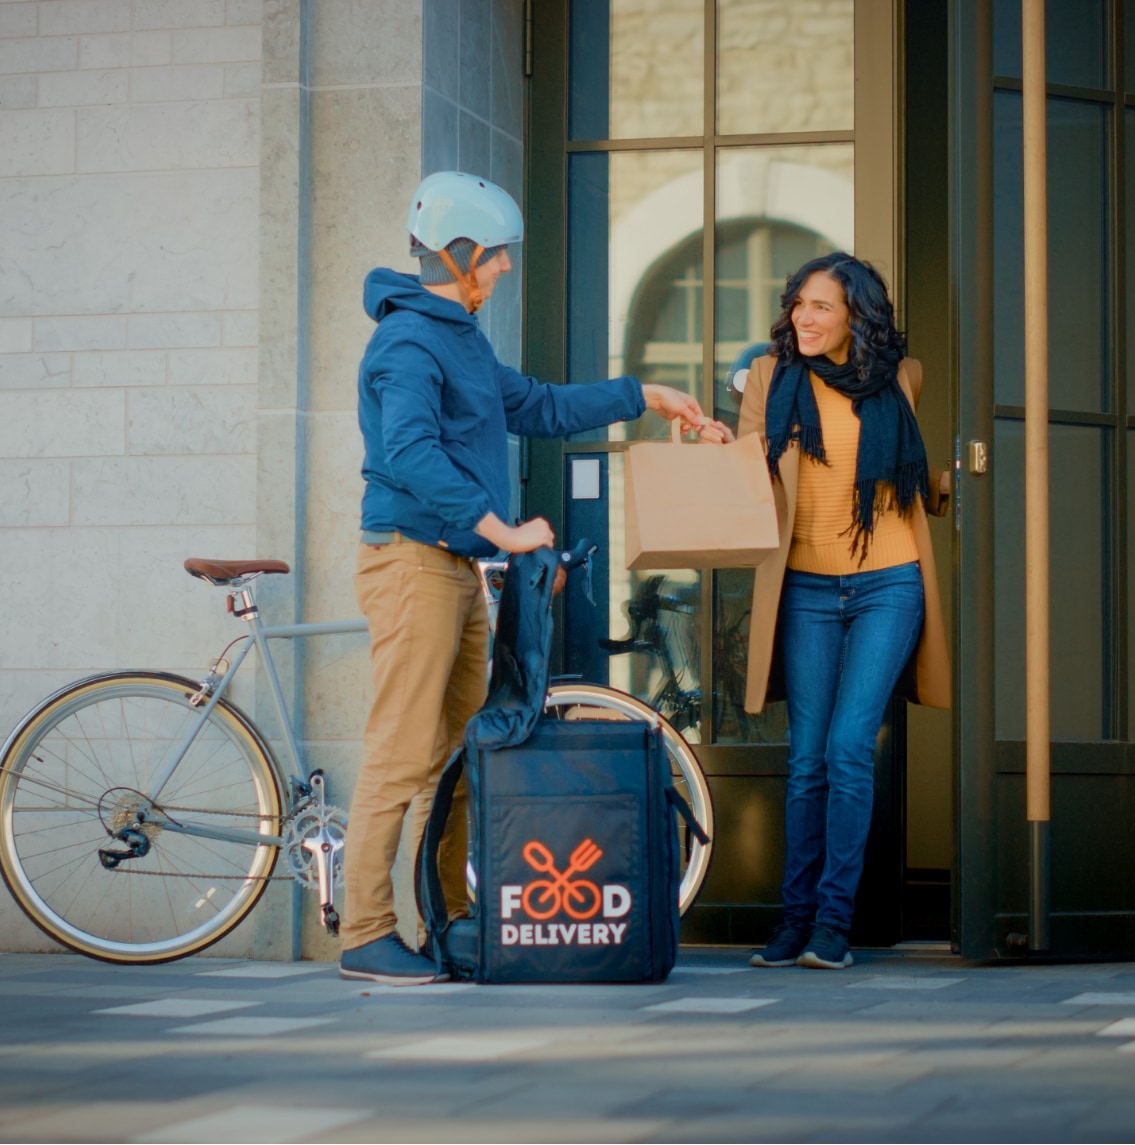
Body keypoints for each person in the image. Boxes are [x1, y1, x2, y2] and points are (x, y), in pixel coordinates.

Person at [342, 171, 732, 985]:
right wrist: (503, 529)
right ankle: (366, 932)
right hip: (413, 562)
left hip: (453, 568)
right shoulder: (407, 342)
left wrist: (644, 394)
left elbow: (537, 404)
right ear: (460, 254)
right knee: (402, 751)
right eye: (496, 257)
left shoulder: (460, 337)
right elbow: (409, 453)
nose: (504, 269)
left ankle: (447, 919)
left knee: (458, 750)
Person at [738, 253, 952, 971]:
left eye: (821, 306)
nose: (804, 316)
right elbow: (745, 469)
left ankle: (833, 924)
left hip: (888, 581)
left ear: (855, 315)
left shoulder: (901, 377)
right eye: (798, 302)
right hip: (802, 586)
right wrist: (716, 450)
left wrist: (954, 480)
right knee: (805, 760)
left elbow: (914, 467)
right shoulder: (771, 379)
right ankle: (792, 919)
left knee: (848, 747)